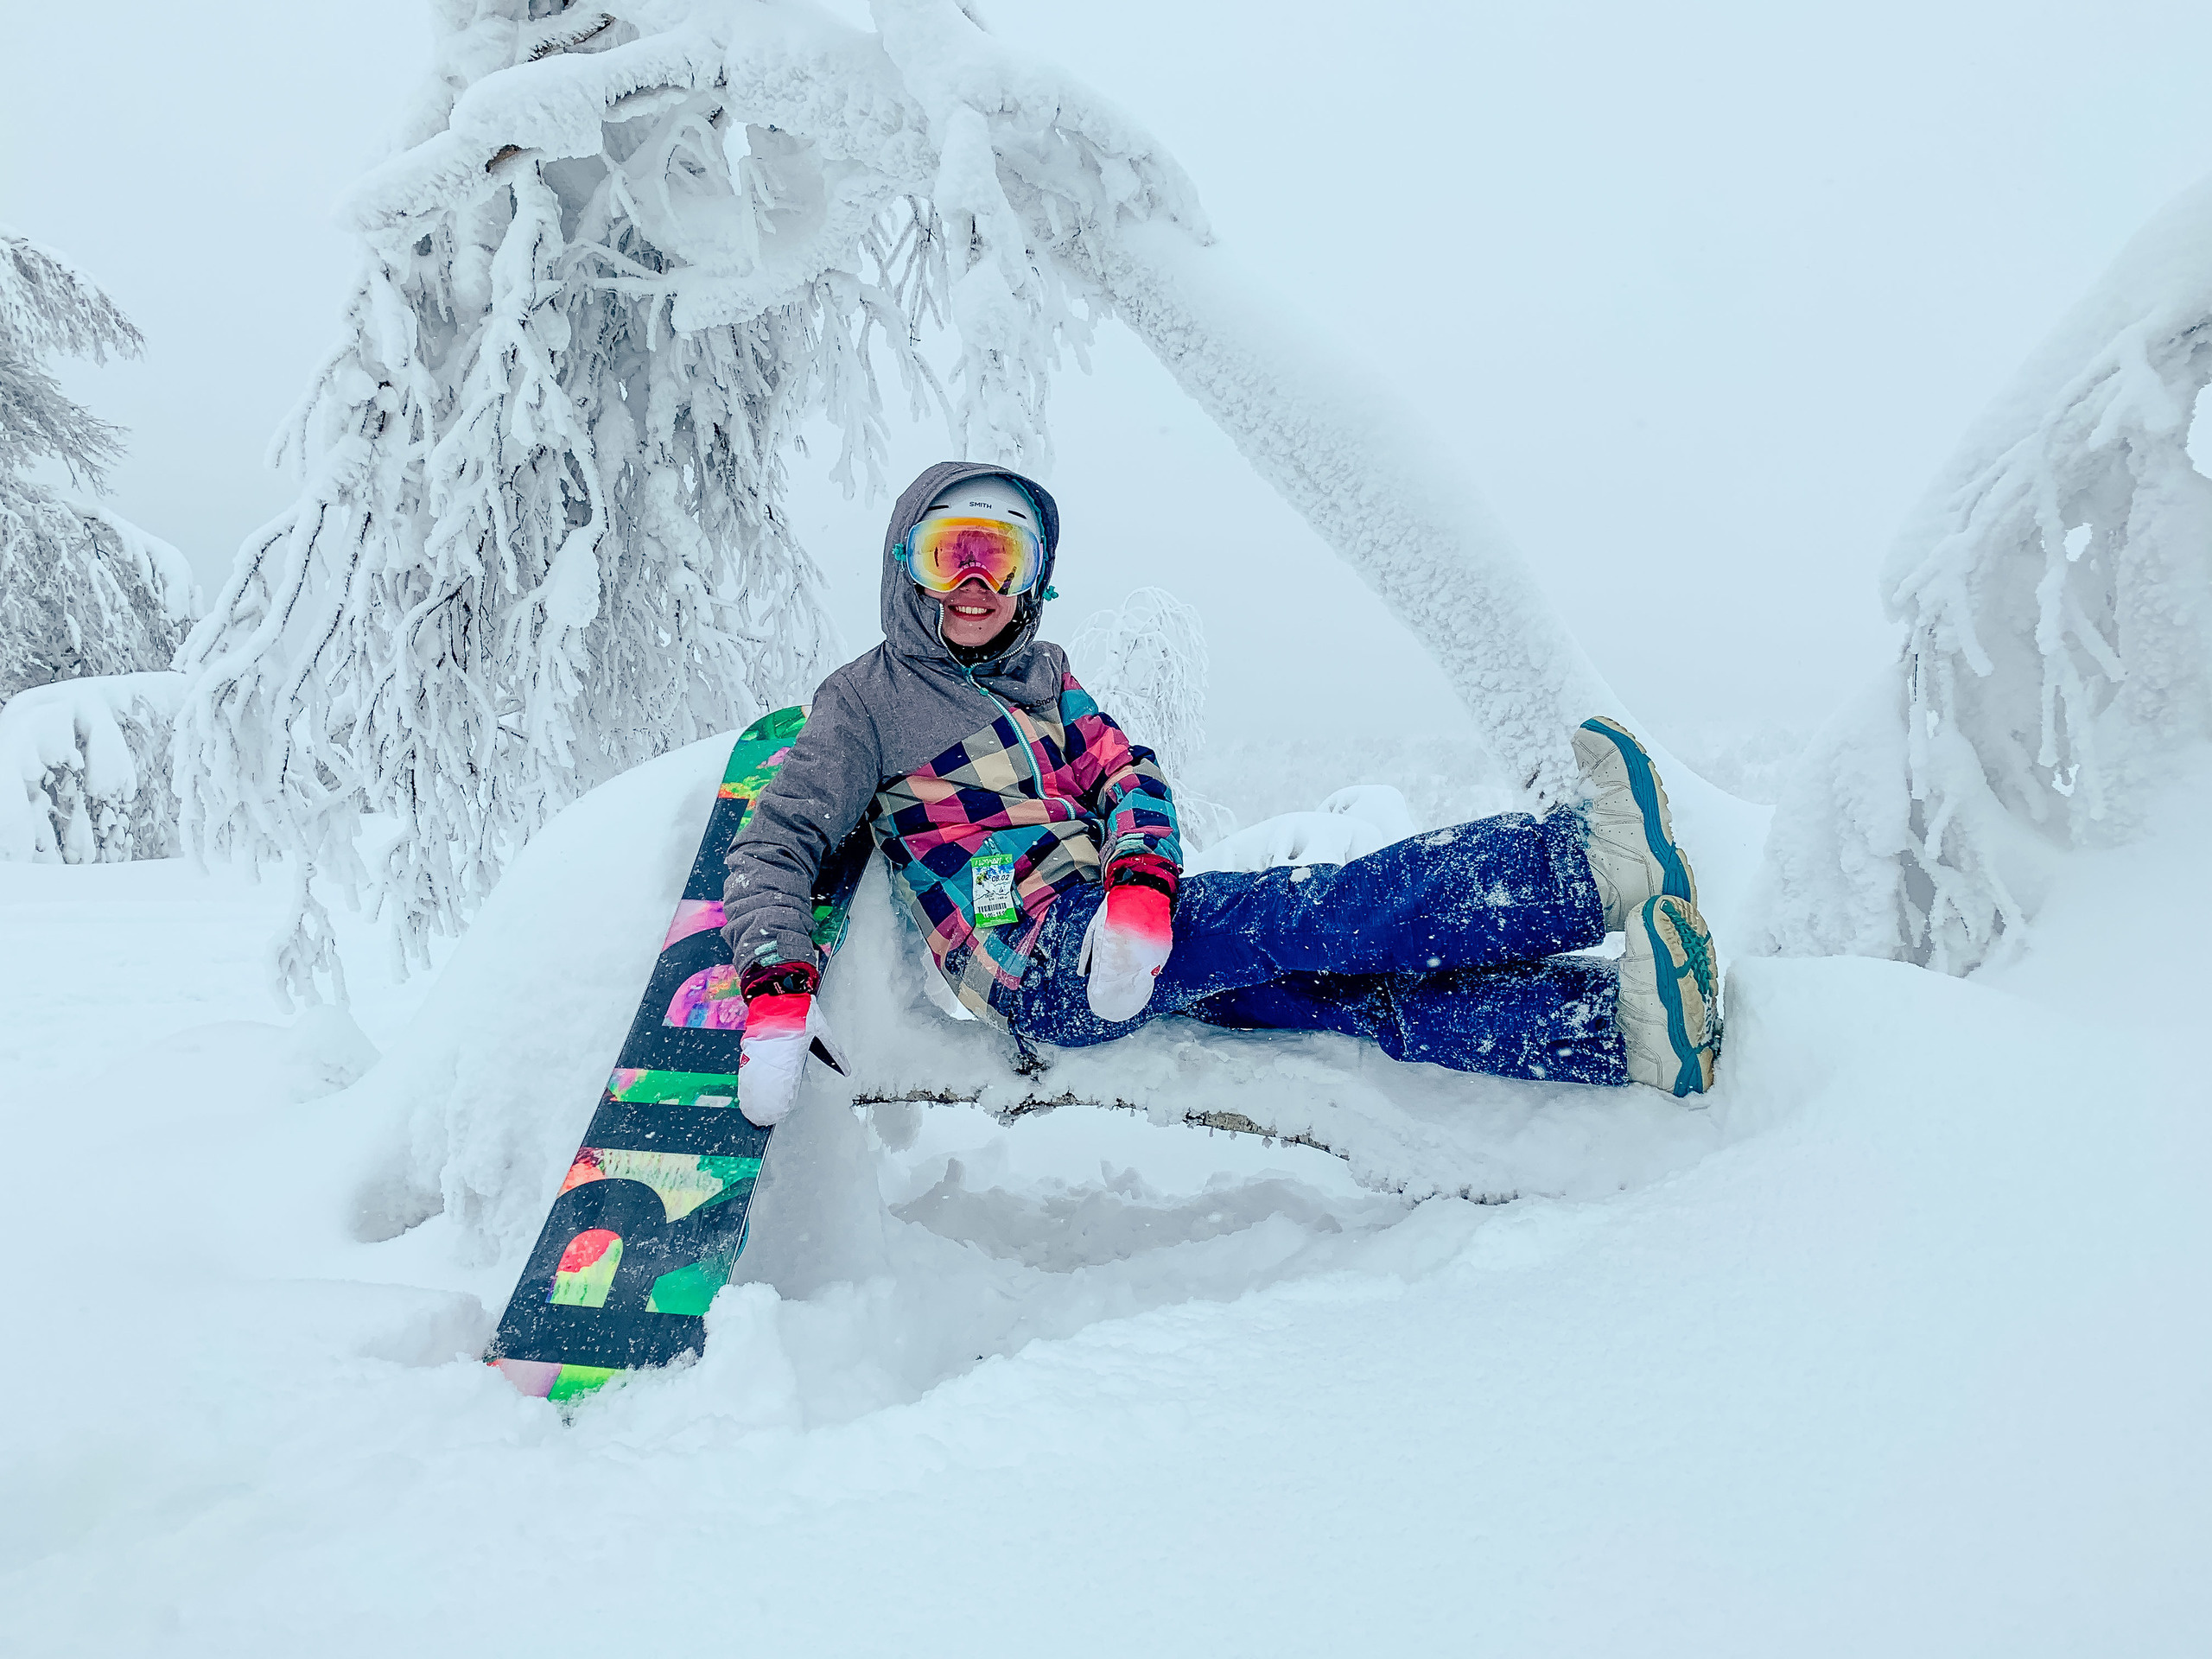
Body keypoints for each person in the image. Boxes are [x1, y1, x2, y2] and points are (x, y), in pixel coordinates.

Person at [721, 461, 1721, 1128]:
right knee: (1315, 910)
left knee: (1339, 995)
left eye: (1001, 558)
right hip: (1036, 963)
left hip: (1120, 936)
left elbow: (1130, 777)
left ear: (1033, 580)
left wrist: (1140, 892)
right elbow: (775, 843)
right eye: (952, 556)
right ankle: (1583, 869)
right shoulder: (869, 701)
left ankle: (1620, 1030)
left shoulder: (1048, 681)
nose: (975, 585)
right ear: (908, 568)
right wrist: (774, 993)